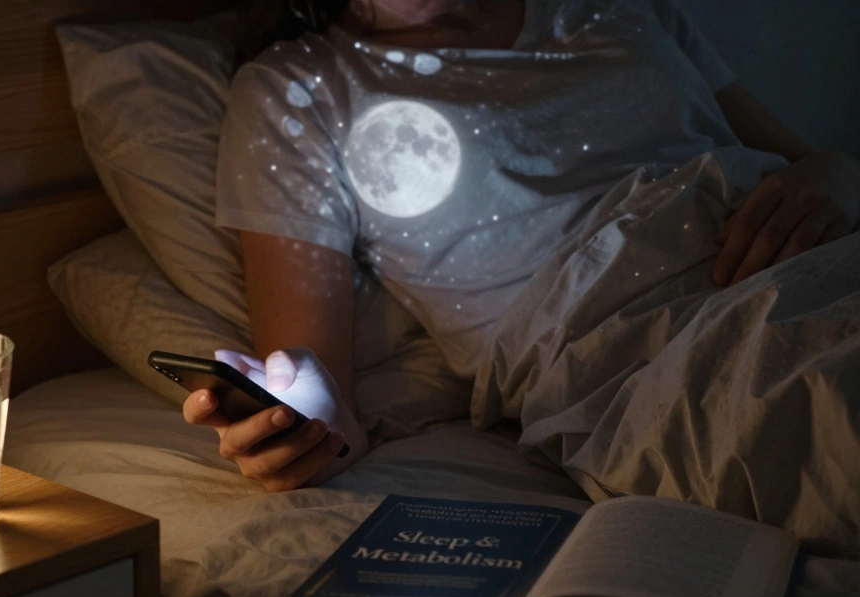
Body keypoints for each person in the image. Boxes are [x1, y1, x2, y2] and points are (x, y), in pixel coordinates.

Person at [182, 0, 860, 492]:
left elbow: (809, 161)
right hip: (660, 348)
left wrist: (836, 174)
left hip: (819, 256)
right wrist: (292, 432)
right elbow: (320, 395)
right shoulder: (298, 90)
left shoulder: (619, 8)